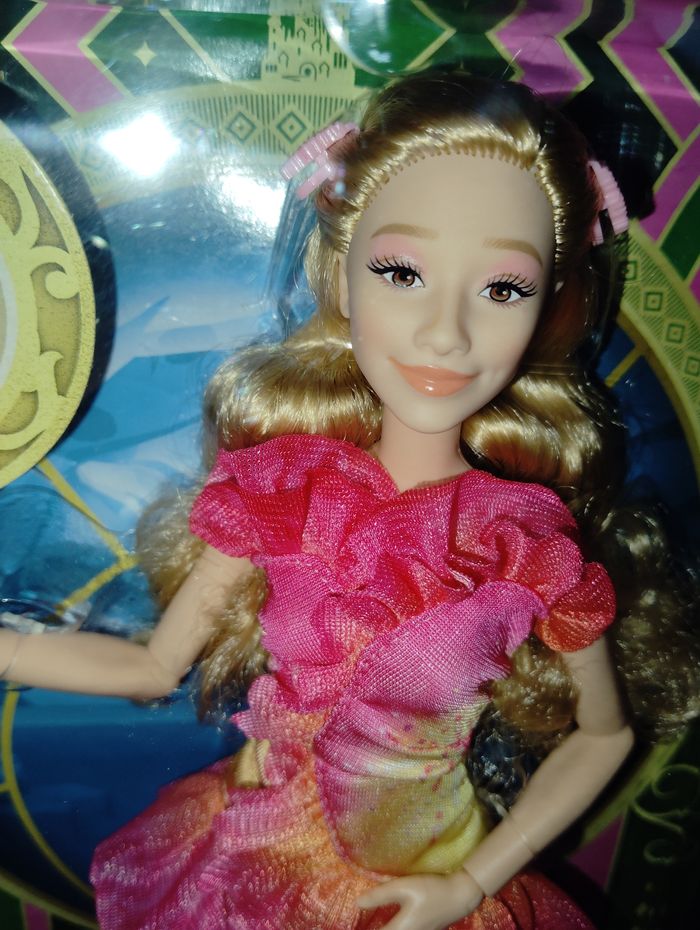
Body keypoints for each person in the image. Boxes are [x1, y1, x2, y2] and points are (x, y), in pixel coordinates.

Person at [0, 71, 695, 930]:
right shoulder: (285, 492)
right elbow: (153, 667)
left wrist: (469, 884)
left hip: (420, 887)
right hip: (251, 862)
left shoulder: (523, 546)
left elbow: (606, 734)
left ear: (550, 303)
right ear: (342, 271)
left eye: (502, 289)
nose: (445, 332)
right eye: (401, 272)